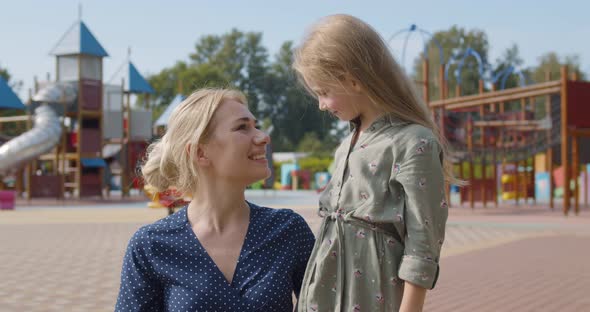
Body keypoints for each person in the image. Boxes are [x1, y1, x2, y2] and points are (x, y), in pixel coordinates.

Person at [292, 14, 458, 311]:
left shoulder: (413, 142)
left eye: (324, 92)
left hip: (373, 295)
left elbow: (423, 242)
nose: (321, 104)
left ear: (352, 79)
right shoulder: (346, 144)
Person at [115, 88, 315, 311]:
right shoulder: (151, 245)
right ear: (201, 153)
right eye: (242, 127)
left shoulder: (287, 230)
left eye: (255, 125)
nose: (263, 136)